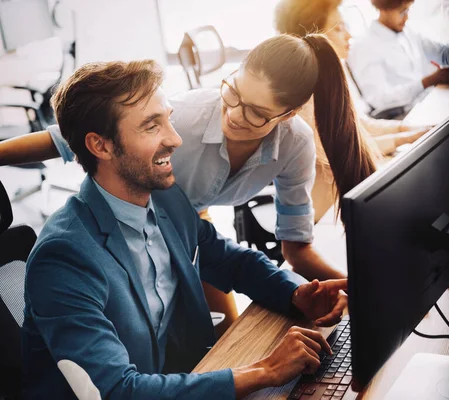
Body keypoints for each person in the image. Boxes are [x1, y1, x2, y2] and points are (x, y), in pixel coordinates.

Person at [0, 32, 375, 332]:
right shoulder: (186, 116)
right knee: (192, 334)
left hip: (186, 225)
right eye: (233, 93)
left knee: (219, 334)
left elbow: (280, 253)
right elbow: (69, 136)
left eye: (258, 114)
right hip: (154, 221)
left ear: (288, 114)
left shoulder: (294, 143)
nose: (234, 115)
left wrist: (346, 291)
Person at [22, 59, 349, 399]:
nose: (176, 140)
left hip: (181, 375)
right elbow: (119, 391)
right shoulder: (64, 257)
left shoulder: (166, 200)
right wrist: (263, 371)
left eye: (170, 120)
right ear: (100, 146)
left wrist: (295, 294)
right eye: (152, 127)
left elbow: (229, 261)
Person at [274, 0, 432, 221]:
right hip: (327, 210)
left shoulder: (332, 70)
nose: (348, 35)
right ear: (313, 36)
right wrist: (403, 138)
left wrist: (405, 128)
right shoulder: (300, 92)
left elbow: (359, 123)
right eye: (338, 28)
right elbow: (340, 150)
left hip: (345, 191)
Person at [347, 0, 449, 116]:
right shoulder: (365, 46)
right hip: (406, 115)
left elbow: (441, 52)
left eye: (408, 10)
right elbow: (379, 99)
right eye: (402, 12)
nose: (406, 17)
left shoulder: (408, 32)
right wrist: (427, 81)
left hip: (428, 100)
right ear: (384, 10)